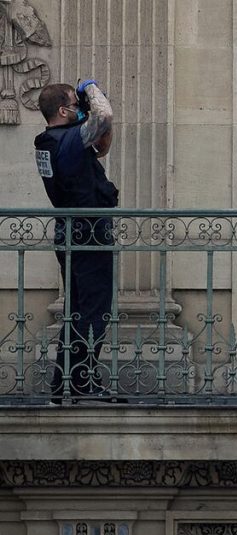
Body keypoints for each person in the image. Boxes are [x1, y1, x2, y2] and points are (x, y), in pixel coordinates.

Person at [34, 80, 118, 402]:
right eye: (74, 103)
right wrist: (92, 89)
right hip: (88, 233)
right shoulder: (66, 141)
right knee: (93, 311)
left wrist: (87, 110)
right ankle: (83, 384)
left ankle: (65, 384)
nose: (79, 107)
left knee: (77, 311)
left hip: (71, 232)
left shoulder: (52, 141)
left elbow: (102, 144)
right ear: (62, 110)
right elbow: (104, 116)